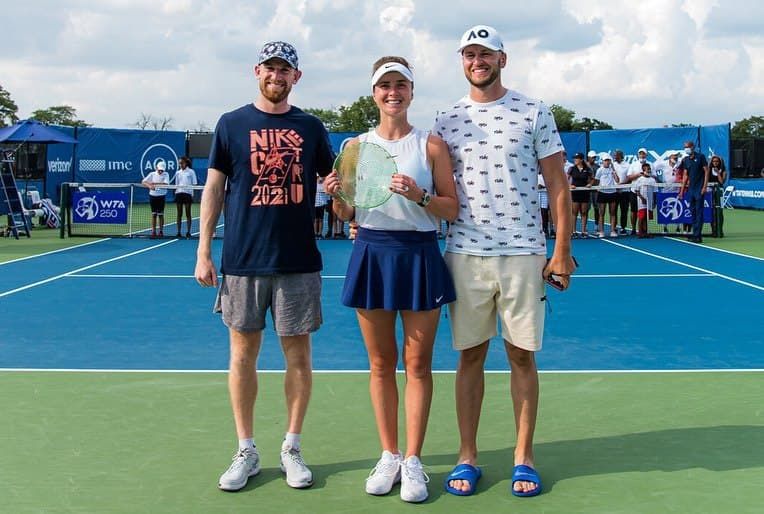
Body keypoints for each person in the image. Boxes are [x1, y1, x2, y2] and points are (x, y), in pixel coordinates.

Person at [434, 25, 575, 498]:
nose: (479, 61)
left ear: (502, 59)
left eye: (486, 53)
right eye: (470, 54)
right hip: (465, 254)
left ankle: (523, 457)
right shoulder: (446, 119)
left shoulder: (534, 111)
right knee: (469, 356)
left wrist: (561, 251)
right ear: (463, 61)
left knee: (520, 356)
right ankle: (467, 455)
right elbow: (431, 190)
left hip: (523, 253)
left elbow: (557, 185)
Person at [194, 40, 335, 492]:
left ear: (297, 77)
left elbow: (334, 182)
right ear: (257, 71)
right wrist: (203, 250)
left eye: (285, 69)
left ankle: (291, 447)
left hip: (297, 262)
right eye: (270, 68)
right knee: (242, 356)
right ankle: (246, 449)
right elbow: (214, 188)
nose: (277, 75)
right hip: (242, 262)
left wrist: (340, 188)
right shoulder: (231, 124)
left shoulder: (311, 128)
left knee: (299, 357)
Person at [324, 56, 458, 503]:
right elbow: (346, 213)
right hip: (372, 253)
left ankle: (414, 460)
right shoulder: (354, 147)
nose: (392, 92)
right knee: (381, 364)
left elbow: (451, 209)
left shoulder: (431, 146)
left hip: (419, 254)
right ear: (374, 93)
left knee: (418, 365)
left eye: (400, 84)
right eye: (384, 85)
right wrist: (335, 196)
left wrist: (421, 196)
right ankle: (389, 454)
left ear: (412, 91)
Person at [677, 141, 709, 243]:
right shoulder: (686, 160)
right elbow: (685, 176)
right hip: (691, 189)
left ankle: (698, 235)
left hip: (699, 189)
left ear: (692, 147)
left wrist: (704, 187)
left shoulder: (701, 157)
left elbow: (706, 171)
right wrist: (682, 191)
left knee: (699, 212)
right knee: (693, 212)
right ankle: (695, 233)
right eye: (684, 147)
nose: (686, 148)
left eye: (687, 147)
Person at [567, 152, 594, 237]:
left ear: (581, 159)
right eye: (574, 158)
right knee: (574, 212)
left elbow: (592, 179)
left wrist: (590, 184)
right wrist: (570, 185)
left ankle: (583, 231)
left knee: (584, 212)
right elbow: (566, 179)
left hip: (585, 193)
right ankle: (573, 231)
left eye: (577, 158)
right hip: (575, 193)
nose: (575, 160)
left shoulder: (587, 169)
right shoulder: (571, 168)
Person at [142, 161, 170, 238]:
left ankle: (161, 231)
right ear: (156, 168)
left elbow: (166, 184)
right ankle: (153, 232)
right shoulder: (152, 174)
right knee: (154, 214)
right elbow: (143, 181)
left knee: (161, 215)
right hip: (153, 196)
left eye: (162, 170)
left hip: (161, 196)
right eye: (159, 169)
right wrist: (149, 185)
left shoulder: (166, 174)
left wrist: (154, 184)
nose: (161, 171)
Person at [594, 153, 620, 237]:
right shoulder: (599, 170)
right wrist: (598, 188)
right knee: (601, 213)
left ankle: (612, 231)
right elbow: (596, 181)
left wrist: (614, 170)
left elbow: (617, 180)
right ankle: (601, 231)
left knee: (612, 213)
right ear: (602, 161)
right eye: (605, 160)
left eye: (608, 160)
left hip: (612, 192)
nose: (607, 162)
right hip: (602, 193)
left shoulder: (612, 170)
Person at [631, 162, 657, 238]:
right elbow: (636, 190)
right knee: (641, 217)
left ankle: (646, 232)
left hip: (650, 202)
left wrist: (654, 201)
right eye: (647, 169)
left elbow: (655, 191)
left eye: (649, 169)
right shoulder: (640, 180)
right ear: (643, 170)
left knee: (647, 217)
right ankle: (640, 232)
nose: (649, 170)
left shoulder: (652, 180)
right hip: (641, 202)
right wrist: (642, 199)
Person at [174, 156, 198, 238]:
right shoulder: (178, 173)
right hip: (179, 193)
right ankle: (178, 232)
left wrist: (192, 194)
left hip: (188, 194)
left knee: (188, 213)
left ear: (186, 163)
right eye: (179, 163)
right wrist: (176, 192)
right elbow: (176, 184)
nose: (180, 165)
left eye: (182, 163)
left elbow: (194, 184)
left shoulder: (191, 172)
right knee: (179, 213)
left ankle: (188, 232)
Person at [612, 149, 631, 234]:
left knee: (624, 210)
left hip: (625, 191)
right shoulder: (612, 165)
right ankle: (614, 227)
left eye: (615, 155)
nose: (614, 156)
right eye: (614, 155)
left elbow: (629, 177)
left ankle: (623, 228)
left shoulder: (627, 165)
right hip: (614, 191)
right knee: (613, 210)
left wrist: (622, 185)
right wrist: (616, 187)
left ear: (620, 156)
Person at [707, 155, 726, 237]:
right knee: (712, 212)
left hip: (720, 193)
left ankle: (720, 230)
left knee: (720, 212)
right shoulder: (708, 170)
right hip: (710, 193)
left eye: (717, 161)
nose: (715, 163)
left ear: (720, 163)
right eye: (714, 161)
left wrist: (718, 172)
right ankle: (713, 231)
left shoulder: (724, 171)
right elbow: (706, 180)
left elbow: (721, 182)